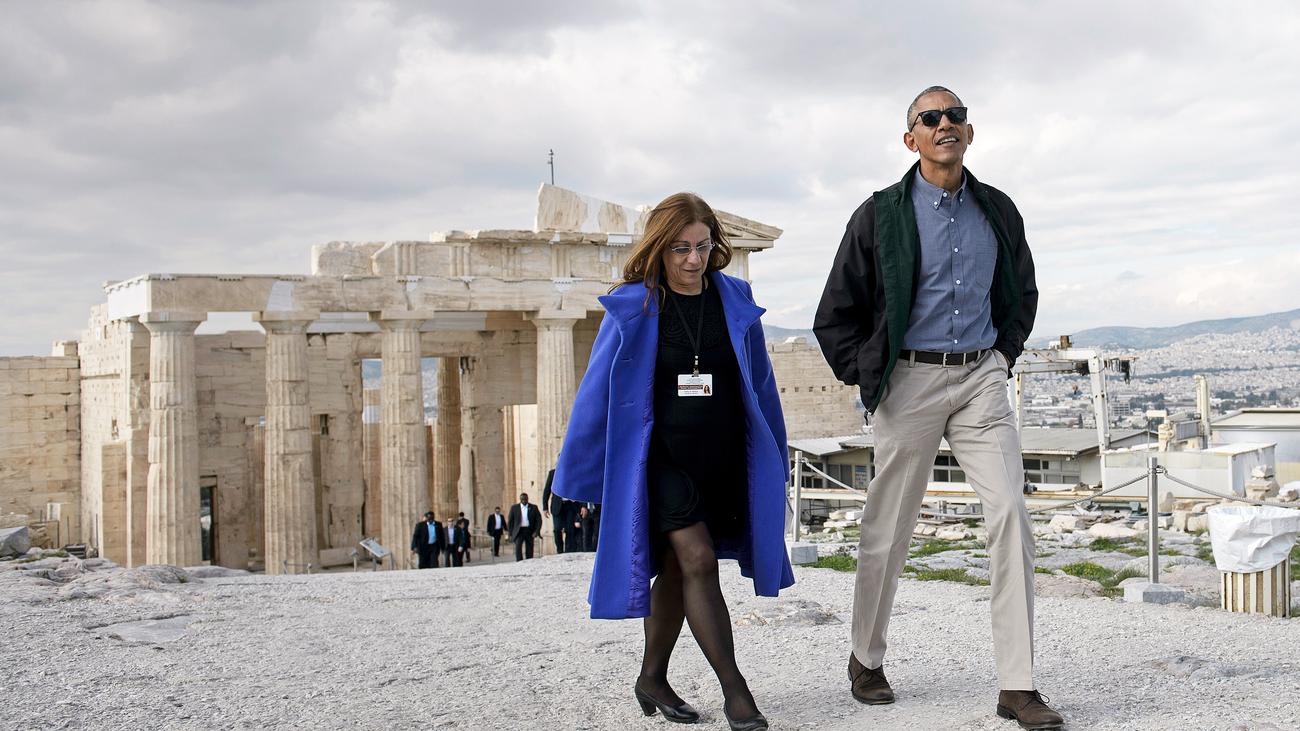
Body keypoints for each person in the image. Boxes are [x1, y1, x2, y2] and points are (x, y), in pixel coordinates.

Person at [813, 86, 1061, 730]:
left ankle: (1017, 685)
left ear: (969, 133)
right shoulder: (879, 215)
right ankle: (866, 658)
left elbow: (1022, 292)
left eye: (956, 115)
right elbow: (834, 313)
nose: (945, 124)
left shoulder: (998, 209)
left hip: (981, 378)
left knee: (1010, 514)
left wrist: (1002, 356)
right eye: (931, 118)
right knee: (889, 525)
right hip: (909, 381)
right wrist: (872, 378)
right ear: (912, 139)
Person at [552, 192, 792, 731]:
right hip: (661, 462)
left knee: (679, 569)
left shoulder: (735, 297)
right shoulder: (634, 306)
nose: (693, 259)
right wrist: (577, 475)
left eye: (702, 246)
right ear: (659, 249)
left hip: (719, 457)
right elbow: (596, 394)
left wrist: (772, 455)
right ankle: (737, 693)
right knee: (699, 560)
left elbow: (760, 384)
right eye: (681, 248)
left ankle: (651, 678)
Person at [541, 468, 571, 554]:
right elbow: (547, 490)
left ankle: (568, 551)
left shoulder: (571, 470)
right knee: (557, 529)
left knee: (570, 529)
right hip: (557, 506)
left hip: (570, 505)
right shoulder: (552, 473)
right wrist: (545, 507)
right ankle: (560, 550)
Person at [507, 493, 542, 561]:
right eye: (522, 499)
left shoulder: (534, 507)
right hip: (519, 531)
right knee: (518, 547)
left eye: (525, 499)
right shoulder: (514, 508)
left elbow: (539, 520)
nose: (524, 501)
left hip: (529, 530)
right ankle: (519, 561)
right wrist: (510, 533)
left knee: (529, 548)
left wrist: (536, 531)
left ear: (527, 499)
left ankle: (529, 561)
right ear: (520, 499)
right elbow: (510, 521)